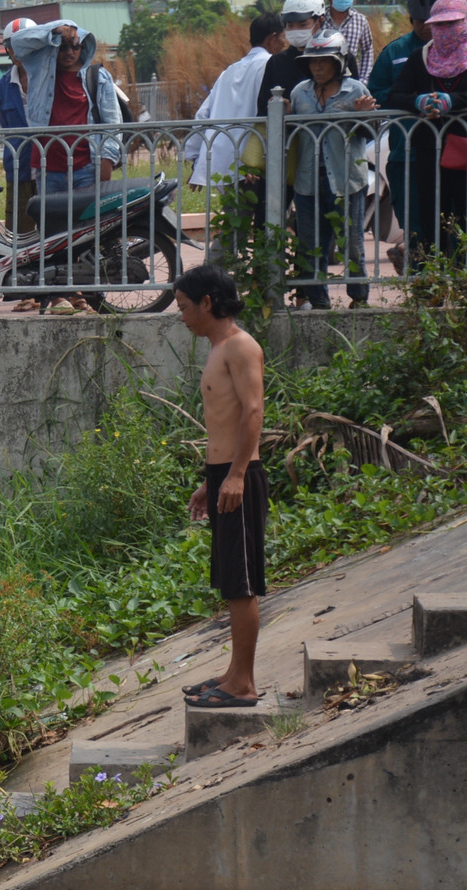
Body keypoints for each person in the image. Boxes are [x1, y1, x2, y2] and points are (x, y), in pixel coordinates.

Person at [177, 265, 267, 710]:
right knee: (231, 580)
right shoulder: (218, 350)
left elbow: (253, 414)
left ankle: (244, 684)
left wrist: (234, 475)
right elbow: (225, 423)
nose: (182, 317)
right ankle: (233, 674)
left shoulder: (241, 347)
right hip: (223, 476)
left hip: (241, 477)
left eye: (185, 308)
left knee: (242, 582)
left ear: (207, 302)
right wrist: (208, 481)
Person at [11, 19, 124, 312]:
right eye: (63, 46)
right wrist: (54, 32)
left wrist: (107, 160)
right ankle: (57, 294)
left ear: (83, 46)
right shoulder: (40, 70)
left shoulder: (97, 77)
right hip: (49, 166)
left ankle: (82, 293)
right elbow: (18, 43)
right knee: (52, 232)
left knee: (85, 232)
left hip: (86, 164)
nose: (69, 52)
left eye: (75, 45)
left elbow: (111, 123)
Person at [183, 12, 287, 269]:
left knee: (237, 222)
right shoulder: (272, 66)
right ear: (273, 38)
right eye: (284, 35)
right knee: (239, 226)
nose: (286, 41)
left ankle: (225, 277)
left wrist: (196, 160)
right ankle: (209, 278)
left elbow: (203, 114)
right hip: (253, 159)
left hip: (223, 159)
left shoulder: (229, 71)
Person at [287, 30, 376, 309]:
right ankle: (319, 302)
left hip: (346, 179)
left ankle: (359, 300)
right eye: (312, 62)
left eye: (323, 61)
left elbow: (371, 133)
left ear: (338, 62)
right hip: (308, 180)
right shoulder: (299, 93)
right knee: (312, 245)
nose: (317, 67)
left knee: (352, 244)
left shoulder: (356, 91)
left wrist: (363, 116)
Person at [389, 0, 467, 261]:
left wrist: (453, 100)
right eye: (439, 25)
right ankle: (435, 282)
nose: (445, 30)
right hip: (429, 152)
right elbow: (395, 94)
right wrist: (418, 101)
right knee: (433, 216)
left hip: (464, 150)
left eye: (452, 24)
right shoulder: (419, 58)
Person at [367, 0, 434, 273]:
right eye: (421, 21)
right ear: (410, 19)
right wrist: (412, 101)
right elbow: (377, 93)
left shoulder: (456, 53)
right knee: (413, 222)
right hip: (405, 152)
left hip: (448, 153)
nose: (426, 27)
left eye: (433, 22)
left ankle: (452, 283)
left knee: (450, 220)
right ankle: (420, 282)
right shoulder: (394, 52)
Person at [0, 17, 38, 235]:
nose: (18, 52)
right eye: (13, 46)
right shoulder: (1, 87)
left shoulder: (49, 78)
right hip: (19, 168)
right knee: (20, 230)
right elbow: (6, 125)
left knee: (57, 229)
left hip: (53, 168)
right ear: (7, 50)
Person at [326, 0, 375, 80]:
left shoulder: (360, 20)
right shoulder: (320, 20)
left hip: (351, 79)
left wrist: (363, 80)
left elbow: (367, 50)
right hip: (324, 78)